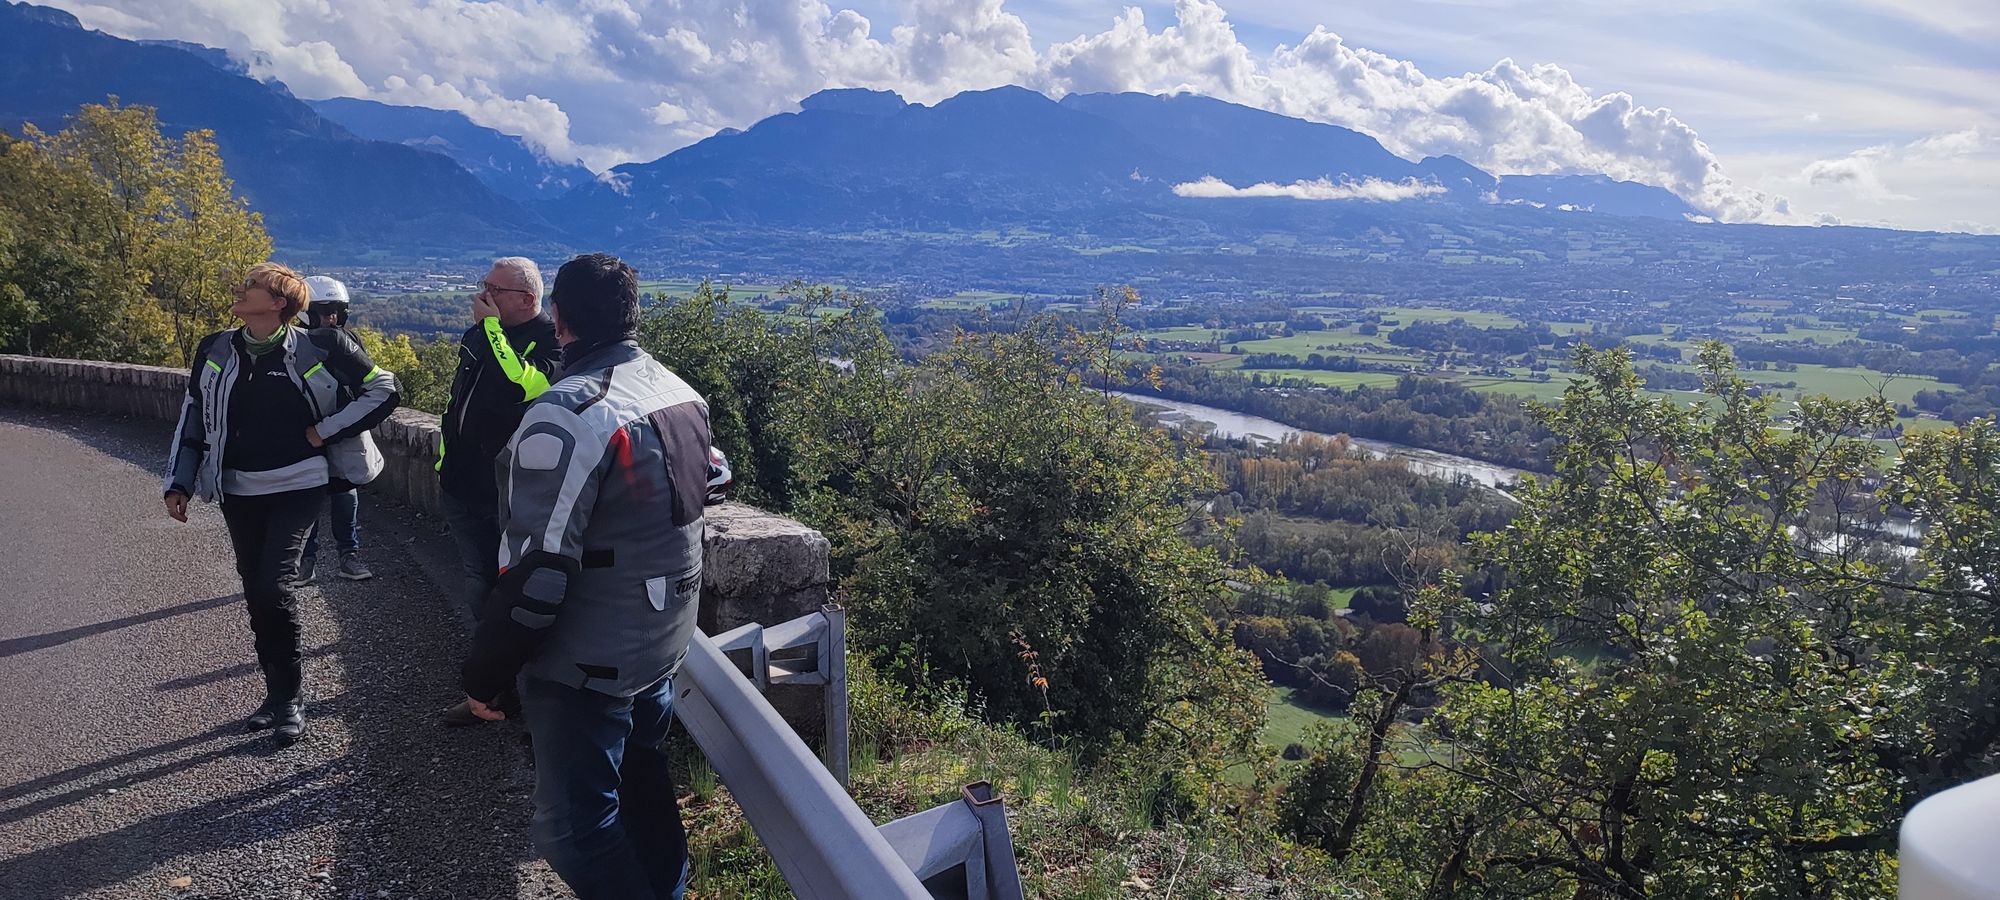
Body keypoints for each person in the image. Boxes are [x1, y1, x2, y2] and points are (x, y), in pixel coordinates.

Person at [459, 253, 707, 899]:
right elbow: (711, 478)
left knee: (573, 830)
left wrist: (486, 674)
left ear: (559, 316)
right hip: (662, 638)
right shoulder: (676, 388)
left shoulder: (571, 411)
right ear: (632, 312)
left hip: (590, 655)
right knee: (642, 790)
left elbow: (539, 570)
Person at [162, 262, 400, 744]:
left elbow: (386, 389)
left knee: (274, 585)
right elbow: (195, 416)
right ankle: (274, 698)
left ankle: (290, 699)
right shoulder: (215, 348)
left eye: (250, 285)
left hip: (300, 483)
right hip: (237, 488)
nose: (238, 289)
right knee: (255, 590)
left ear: (278, 303)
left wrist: (326, 430)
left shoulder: (322, 345)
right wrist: (179, 481)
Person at [435, 256, 561, 726]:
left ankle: (518, 696)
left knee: (508, 595)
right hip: (462, 484)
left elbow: (520, 389)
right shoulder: (477, 336)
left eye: (494, 289)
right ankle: (493, 692)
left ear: (528, 299)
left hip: (511, 495)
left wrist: (491, 330)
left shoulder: (552, 342)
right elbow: (458, 402)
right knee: (478, 587)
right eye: (483, 285)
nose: (482, 296)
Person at [294, 275, 374, 583]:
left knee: (345, 493)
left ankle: (348, 555)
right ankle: (305, 559)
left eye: (337, 312)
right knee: (305, 495)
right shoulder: (295, 344)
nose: (332, 318)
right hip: (305, 432)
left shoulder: (348, 343)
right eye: (326, 311)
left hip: (341, 429)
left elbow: (369, 386)